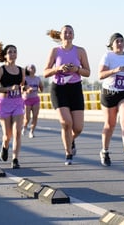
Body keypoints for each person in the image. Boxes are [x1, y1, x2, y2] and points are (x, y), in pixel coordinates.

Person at [44, 25, 91, 165]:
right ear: (61, 35)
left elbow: (88, 72)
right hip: (59, 88)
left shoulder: (80, 51)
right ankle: (68, 153)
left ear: (74, 35)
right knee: (66, 122)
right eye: (65, 32)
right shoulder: (55, 51)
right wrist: (58, 69)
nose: (68, 35)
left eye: (71, 32)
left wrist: (76, 69)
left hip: (75, 88)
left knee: (78, 127)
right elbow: (46, 71)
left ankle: (71, 139)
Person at [98, 33, 124, 167]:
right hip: (109, 92)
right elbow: (100, 75)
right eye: (117, 41)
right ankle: (104, 151)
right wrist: (114, 70)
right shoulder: (108, 56)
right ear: (112, 44)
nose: (120, 43)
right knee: (110, 125)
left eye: (122, 41)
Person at [0, 42, 26, 169]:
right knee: (7, 136)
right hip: (4, 103)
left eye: (14, 52)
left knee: (17, 132)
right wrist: (8, 88)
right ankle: (5, 147)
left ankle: (15, 159)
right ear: (5, 56)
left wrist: (25, 88)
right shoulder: (1, 70)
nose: (12, 54)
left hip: (17, 102)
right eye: (10, 52)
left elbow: (23, 85)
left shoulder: (21, 70)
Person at [22, 64, 44, 138]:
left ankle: (31, 131)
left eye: (34, 67)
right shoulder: (25, 78)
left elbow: (41, 87)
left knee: (35, 116)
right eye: (31, 68)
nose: (33, 69)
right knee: (27, 118)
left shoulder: (37, 78)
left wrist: (41, 89)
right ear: (28, 70)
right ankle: (24, 127)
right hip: (27, 99)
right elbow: (21, 88)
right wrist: (27, 90)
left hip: (35, 99)